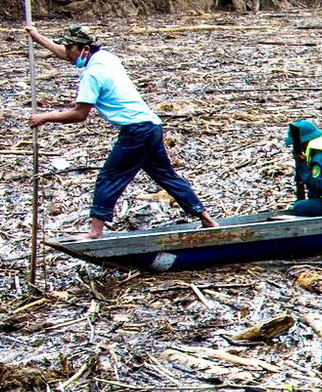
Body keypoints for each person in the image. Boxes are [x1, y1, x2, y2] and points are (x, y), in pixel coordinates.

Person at [24, 23, 216, 240]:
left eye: (71, 48)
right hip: (152, 126)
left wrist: (44, 118)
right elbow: (64, 53)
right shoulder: (105, 57)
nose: (67, 53)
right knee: (166, 176)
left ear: (84, 49)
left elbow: (80, 114)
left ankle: (95, 232)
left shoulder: (92, 74)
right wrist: (37, 36)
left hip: (136, 131)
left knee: (109, 177)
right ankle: (207, 219)